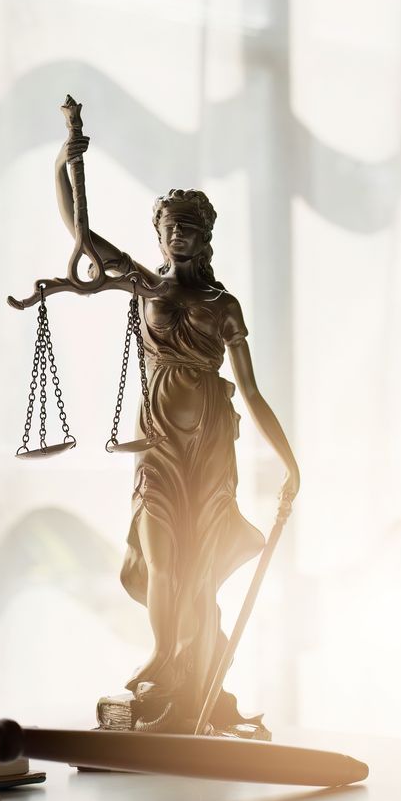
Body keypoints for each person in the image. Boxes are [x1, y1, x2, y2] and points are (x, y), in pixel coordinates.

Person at [56, 136, 300, 733]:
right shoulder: (144, 286)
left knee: (200, 570)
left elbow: (252, 391)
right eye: (170, 227)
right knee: (161, 553)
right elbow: (81, 236)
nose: (179, 235)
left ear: (205, 235)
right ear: (159, 234)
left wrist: (290, 463)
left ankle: (197, 682)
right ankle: (165, 660)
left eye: (190, 227)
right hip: (158, 445)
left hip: (211, 448)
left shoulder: (224, 304)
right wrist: (64, 161)